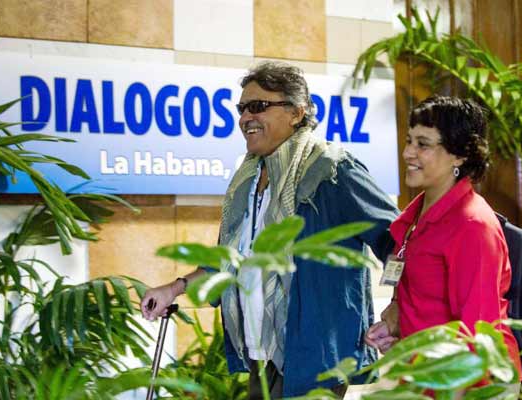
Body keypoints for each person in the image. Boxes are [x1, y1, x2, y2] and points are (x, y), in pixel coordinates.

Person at [140, 61, 399, 399]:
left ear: (296, 112)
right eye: (242, 108)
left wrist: (395, 307)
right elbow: (231, 262)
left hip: (314, 359)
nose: (246, 117)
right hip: (261, 357)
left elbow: (400, 241)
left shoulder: (332, 171)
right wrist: (175, 289)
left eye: (259, 106)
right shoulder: (247, 181)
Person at [365, 96, 522, 392]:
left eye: (423, 144)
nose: (408, 152)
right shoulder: (415, 216)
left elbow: (478, 336)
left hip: (468, 385)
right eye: (409, 140)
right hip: (425, 375)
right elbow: (427, 301)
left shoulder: (472, 226)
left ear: (460, 155)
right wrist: (395, 323)